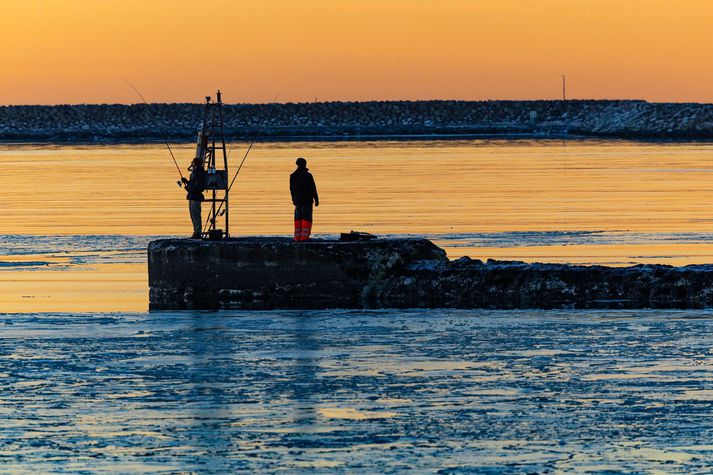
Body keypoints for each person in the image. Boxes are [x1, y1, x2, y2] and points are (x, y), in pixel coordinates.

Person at [290, 157, 319, 241]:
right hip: (307, 201)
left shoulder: (293, 176)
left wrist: (293, 200)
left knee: (298, 219)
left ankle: (297, 237)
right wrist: (316, 199)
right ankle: (304, 238)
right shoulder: (308, 175)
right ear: (304, 164)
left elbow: (291, 190)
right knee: (307, 219)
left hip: (297, 202)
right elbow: (313, 188)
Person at [181, 157, 207, 239]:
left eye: (193, 162)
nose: (191, 163)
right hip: (192, 197)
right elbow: (193, 184)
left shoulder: (198, 174)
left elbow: (197, 187)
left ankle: (198, 233)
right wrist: (186, 182)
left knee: (196, 216)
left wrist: (188, 188)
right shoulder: (194, 173)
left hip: (195, 197)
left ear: (195, 164)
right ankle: (196, 232)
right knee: (193, 216)